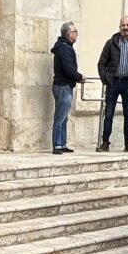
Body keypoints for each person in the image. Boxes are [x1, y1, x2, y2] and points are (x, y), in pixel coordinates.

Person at [95, 15, 128, 153]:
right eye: (123, 25)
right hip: (113, 83)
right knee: (109, 114)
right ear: (119, 27)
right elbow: (101, 63)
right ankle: (105, 142)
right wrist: (105, 79)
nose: (125, 28)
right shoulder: (111, 43)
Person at [50, 21, 83, 154]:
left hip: (64, 85)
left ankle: (62, 143)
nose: (77, 34)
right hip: (63, 86)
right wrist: (80, 76)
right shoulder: (65, 49)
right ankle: (57, 145)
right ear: (69, 34)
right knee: (60, 116)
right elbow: (68, 69)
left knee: (64, 117)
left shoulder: (65, 47)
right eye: (75, 32)